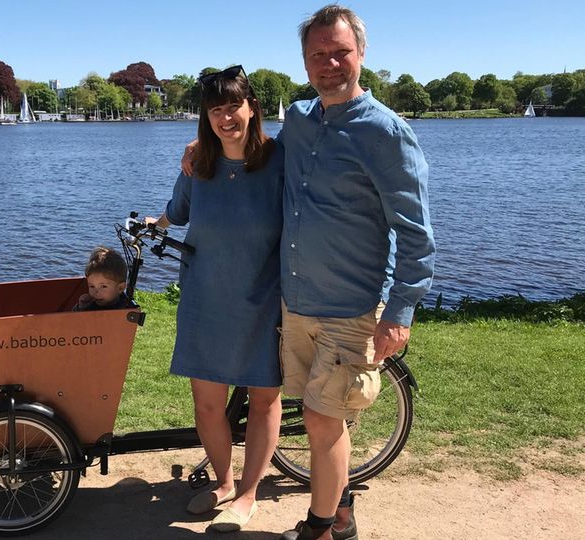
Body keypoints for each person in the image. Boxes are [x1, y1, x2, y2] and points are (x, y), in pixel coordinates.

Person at [182, 6, 436, 539]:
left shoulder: (387, 133)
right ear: (304, 61)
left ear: (361, 54)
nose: (330, 63)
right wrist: (202, 148)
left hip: (350, 304)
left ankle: (324, 527)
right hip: (294, 304)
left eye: (340, 51)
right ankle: (339, 509)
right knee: (323, 417)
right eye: (318, 54)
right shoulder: (300, 119)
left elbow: (416, 234)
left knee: (322, 421)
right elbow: (254, 149)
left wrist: (399, 310)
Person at [151, 65, 284, 533]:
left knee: (265, 399)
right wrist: (156, 225)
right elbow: (177, 212)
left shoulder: (278, 159)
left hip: (263, 299)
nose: (226, 117)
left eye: (233, 106)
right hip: (205, 296)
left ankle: (249, 493)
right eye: (215, 110)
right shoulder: (198, 164)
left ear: (252, 108)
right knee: (207, 402)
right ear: (205, 118)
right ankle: (225, 482)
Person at [73, 246, 133, 311]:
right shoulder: (90, 304)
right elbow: (73, 319)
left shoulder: (125, 309)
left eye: (104, 286)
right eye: (92, 286)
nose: (96, 292)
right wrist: (81, 307)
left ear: (120, 288)